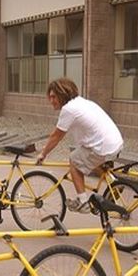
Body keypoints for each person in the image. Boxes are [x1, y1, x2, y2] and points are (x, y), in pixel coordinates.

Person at [36, 78, 124, 213]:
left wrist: (43, 154)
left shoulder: (68, 109)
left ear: (62, 93)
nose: (51, 100)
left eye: (53, 96)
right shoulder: (83, 102)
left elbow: (56, 136)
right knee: (85, 156)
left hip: (103, 147)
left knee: (74, 160)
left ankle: (83, 202)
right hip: (115, 143)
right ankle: (113, 183)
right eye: (50, 97)